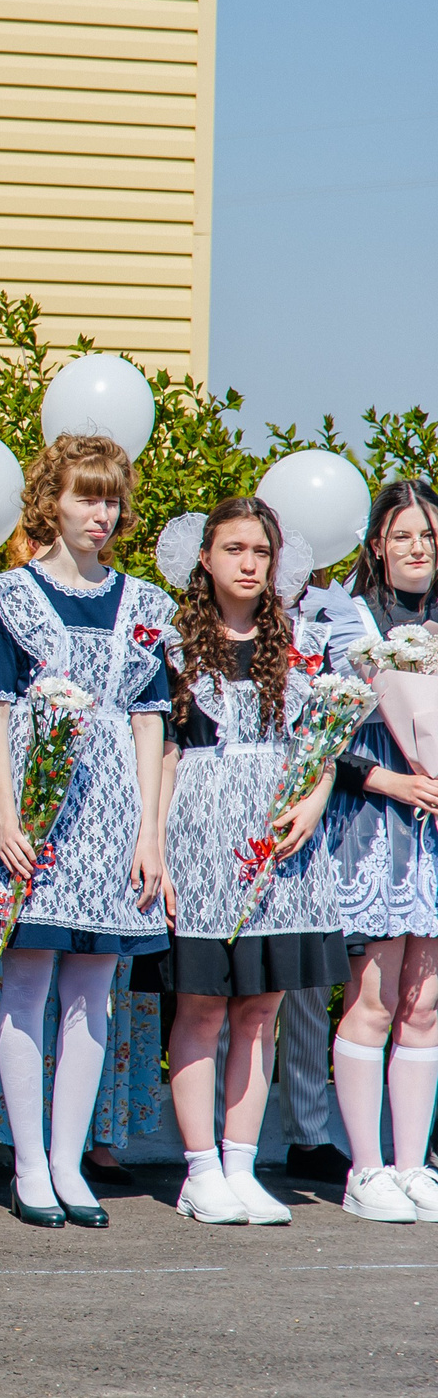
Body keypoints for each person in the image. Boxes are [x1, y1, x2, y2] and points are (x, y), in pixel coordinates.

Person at [0, 434, 174, 1229]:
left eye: (111, 498)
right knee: (29, 979)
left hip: (113, 812)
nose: (101, 513)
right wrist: (6, 814)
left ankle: (67, 1159)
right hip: (39, 806)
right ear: (55, 501)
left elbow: (151, 723)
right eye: (86, 496)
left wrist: (150, 831)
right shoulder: (12, 593)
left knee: (94, 989)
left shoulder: (146, 602)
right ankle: (26, 1163)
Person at [156, 498, 344, 1225]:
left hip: (280, 843)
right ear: (203, 558)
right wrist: (159, 849)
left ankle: (241, 1161)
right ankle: (199, 1169)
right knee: (202, 1005)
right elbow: (165, 752)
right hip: (201, 839)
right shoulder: (172, 647)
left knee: (261, 1009)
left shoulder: (294, 645)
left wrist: (315, 800)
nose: (247, 563)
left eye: (260, 551)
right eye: (233, 548)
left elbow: (319, 742)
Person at [302, 478, 438, 1221]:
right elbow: (319, 733)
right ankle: (365, 1166)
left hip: (434, 838)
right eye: (404, 534)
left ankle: (414, 1164)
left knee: (427, 1001)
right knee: (376, 997)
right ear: (378, 545)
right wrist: (391, 778)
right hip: (372, 828)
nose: (418, 548)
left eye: (429, 536)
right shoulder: (344, 621)